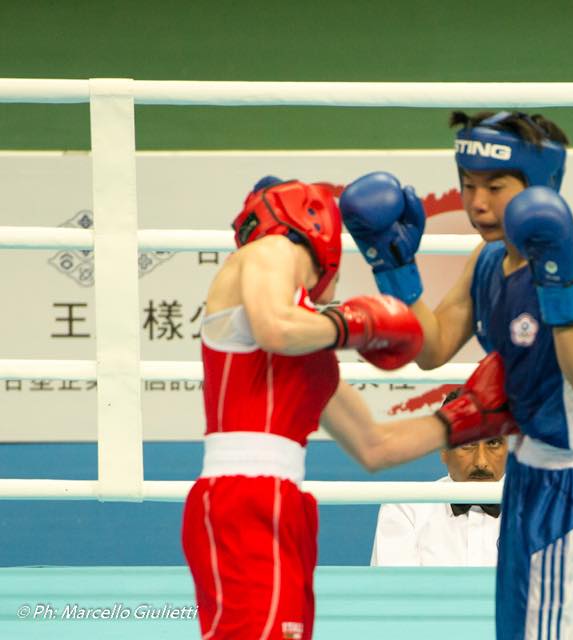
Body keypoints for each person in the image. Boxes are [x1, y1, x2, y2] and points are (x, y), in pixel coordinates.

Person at [339, 111, 573, 639]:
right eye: (467, 184)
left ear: (539, 186)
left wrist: (555, 281)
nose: (476, 202)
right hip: (525, 477)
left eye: (494, 186)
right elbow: (432, 348)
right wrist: (394, 265)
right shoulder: (487, 258)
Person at [181, 177, 520, 640]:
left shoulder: (310, 347)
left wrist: (466, 417)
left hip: (286, 503)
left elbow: (374, 446)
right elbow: (274, 328)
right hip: (242, 497)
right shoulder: (270, 251)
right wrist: (358, 322)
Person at [370, 388, 508, 567]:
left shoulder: (538, 508)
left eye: (493, 443)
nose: (481, 462)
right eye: (467, 444)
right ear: (443, 449)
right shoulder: (405, 508)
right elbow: (395, 592)